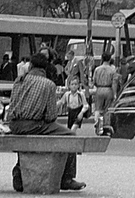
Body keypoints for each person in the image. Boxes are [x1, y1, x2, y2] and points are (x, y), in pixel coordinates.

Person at [7, 53, 85, 192]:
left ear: (30, 66)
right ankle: (66, 178)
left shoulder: (18, 80)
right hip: (34, 125)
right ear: (46, 69)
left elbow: (11, 106)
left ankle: (19, 172)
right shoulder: (48, 85)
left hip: (15, 125)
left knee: (26, 138)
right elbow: (51, 116)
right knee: (70, 136)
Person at [91, 53, 119, 126]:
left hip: (99, 89)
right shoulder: (113, 70)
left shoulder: (97, 69)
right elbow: (114, 83)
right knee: (107, 109)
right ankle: (106, 124)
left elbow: (93, 81)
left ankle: (97, 121)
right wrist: (115, 93)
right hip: (108, 89)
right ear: (110, 59)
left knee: (98, 108)